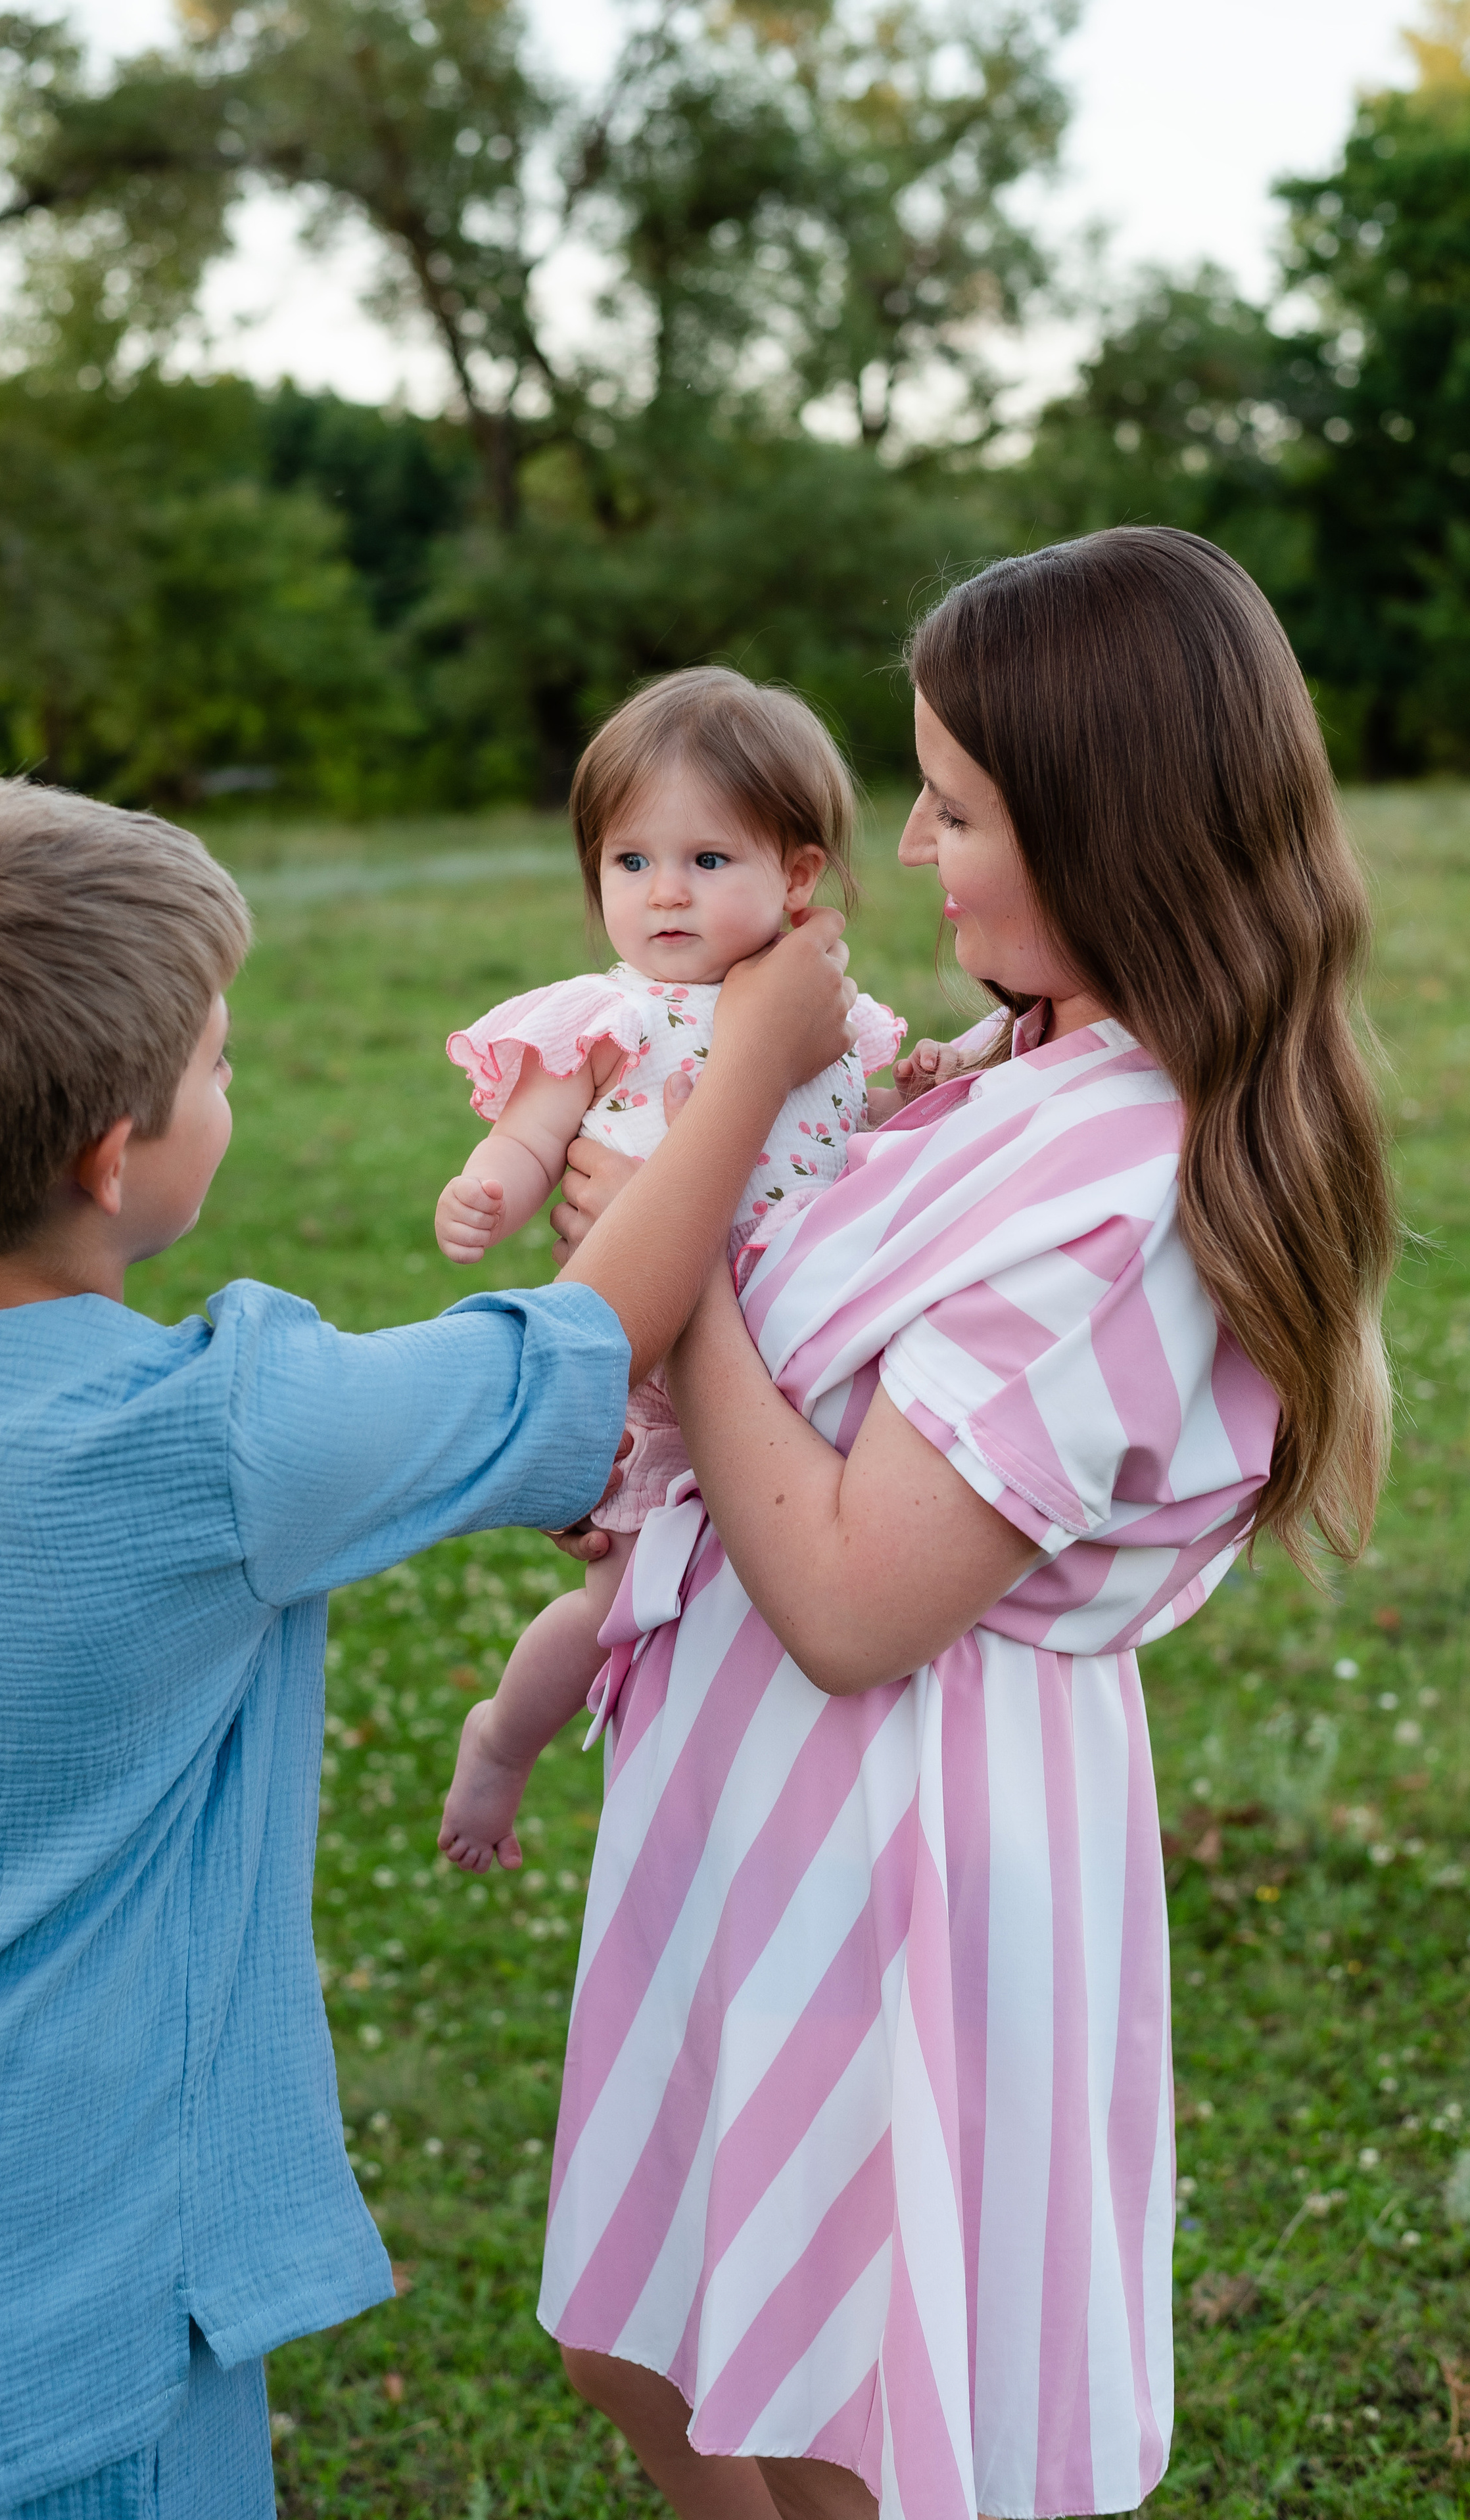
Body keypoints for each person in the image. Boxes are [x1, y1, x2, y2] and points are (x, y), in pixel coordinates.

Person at [0, 774, 853, 2520]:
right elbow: (582, 1341)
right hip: (68, 2319)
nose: (235, 1084)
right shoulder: (220, 1441)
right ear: (113, 1156)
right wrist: (753, 1063)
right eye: (217, 1063)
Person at [537, 530, 1396, 2520]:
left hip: (895, 1836)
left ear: (1112, 835)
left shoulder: (1130, 1198)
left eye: (957, 804)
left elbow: (855, 1603)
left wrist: (681, 1264)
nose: (911, 846)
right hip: (761, 1798)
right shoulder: (1029, 1055)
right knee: (650, 2348)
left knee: (831, 2412)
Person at [435, 666, 948, 1872]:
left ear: (798, 875)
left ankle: (759, 1780)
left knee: (766, 1569)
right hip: (652, 1363)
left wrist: (910, 1095)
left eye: (707, 860)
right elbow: (535, 1135)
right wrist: (491, 1187)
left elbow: (848, 1127)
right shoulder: (610, 1016)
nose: (664, 891)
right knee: (620, 1598)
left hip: (789, 1359)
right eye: (631, 861)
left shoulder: (830, 1014)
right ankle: (503, 1737)